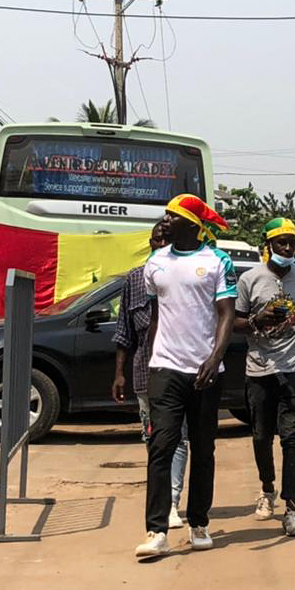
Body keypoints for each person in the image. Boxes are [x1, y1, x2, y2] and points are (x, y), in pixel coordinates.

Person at [135, 194, 236, 559]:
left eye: (171, 216)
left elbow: (226, 313)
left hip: (205, 370)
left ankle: (199, 522)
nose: (164, 221)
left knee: (203, 448)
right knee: (161, 446)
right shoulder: (155, 262)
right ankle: (157, 529)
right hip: (165, 367)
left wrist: (215, 357)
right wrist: (150, 358)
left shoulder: (217, 261)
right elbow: (157, 313)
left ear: (191, 225)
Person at [233, 218, 295, 537]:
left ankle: (292, 507)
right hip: (260, 368)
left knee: (292, 438)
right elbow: (235, 323)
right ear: (267, 245)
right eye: (281, 242)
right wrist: (259, 319)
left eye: (291, 242)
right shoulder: (250, 279)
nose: (287, 248)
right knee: (261, 436)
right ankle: (267, 488)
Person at [113, 221, 189, 531]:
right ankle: (160, 496)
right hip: (145, 373)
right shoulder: (132, 280)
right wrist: (119, 373)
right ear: (150, 243)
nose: (161, 245)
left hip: (178, 369)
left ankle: (171, 502)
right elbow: (124, 332)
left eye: (167, 240)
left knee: (179, 437)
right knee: (154, 438)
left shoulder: (184, 276)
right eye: (157, 240)